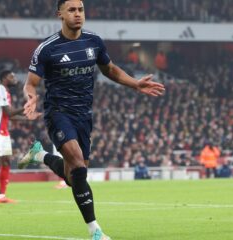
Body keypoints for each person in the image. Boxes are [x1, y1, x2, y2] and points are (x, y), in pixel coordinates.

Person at [19, 1, 165, 239]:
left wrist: (135, 83)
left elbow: (110, 69)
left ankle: (40, 155)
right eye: (72, 10)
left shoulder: (93, 41)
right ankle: (95, 230)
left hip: (84, 116)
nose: (78, 14)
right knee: (77, 165)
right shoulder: (47, 49)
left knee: (74, 176)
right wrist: (31, 99)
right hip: (59, 113)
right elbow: (31, 84)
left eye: (81, 10)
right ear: (60, 14)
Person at [0, 70, 40, 204]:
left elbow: (10, 116)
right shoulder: (0, 90)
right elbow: (9, 111)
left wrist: (28, 118)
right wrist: (27, 106)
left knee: (6, 161)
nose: (15, 78)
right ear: (4, 78)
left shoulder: (5, 93)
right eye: (11, 77)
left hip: (3, 130)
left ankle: (1, 196)